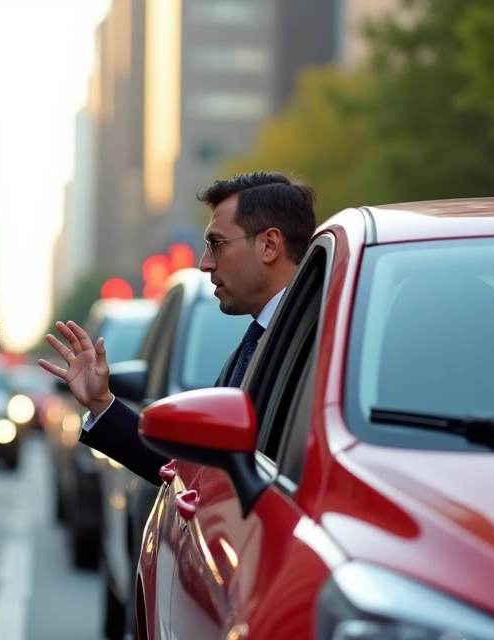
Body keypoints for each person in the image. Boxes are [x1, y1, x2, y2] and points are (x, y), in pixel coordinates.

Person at [39, 172, 316, 485]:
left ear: (269, 245)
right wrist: (102, 404)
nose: (205, 263)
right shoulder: (257, 344)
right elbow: (190, 469)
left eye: (217, 244)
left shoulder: (320, 345)